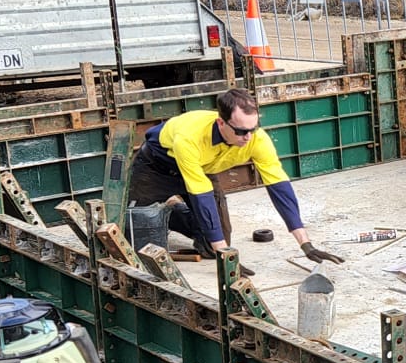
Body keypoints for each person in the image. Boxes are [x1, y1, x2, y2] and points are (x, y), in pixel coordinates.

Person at [126, 89, 342, 266]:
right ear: (221, 123)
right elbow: (201, 195)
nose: (248, 137)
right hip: (157, 167)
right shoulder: (189, 138)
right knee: (131, 231)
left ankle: (171, 211)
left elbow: (280, 189)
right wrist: (225, 255)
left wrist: (305, 244)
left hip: (201, 168)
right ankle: (157, 209)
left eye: (253, 129)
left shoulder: (257, 139)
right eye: (240, 131)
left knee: (214, 246)